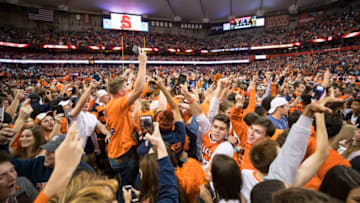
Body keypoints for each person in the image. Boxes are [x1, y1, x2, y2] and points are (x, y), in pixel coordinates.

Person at [105, 48, 147, 202]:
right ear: (119, 92)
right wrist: (142, 63)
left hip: (116, 153)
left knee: (123, 183)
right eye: (124, 87)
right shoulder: (117, 104)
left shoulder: (112, 102)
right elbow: (139, 90)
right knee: (128, 188)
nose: (127, 88)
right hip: (122, 155)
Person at [10, 132, 92, 190]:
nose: (46, 153)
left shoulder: (82, 172)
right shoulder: (38, 163)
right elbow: (11, 164)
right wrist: (3, 144)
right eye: (47, 149)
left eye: (52, 151)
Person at [123, 122, 178, 203]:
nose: (140, 176)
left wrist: (127, 201)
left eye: (141, 174)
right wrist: (159, 144)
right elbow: (168, 189)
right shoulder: (168, 193)